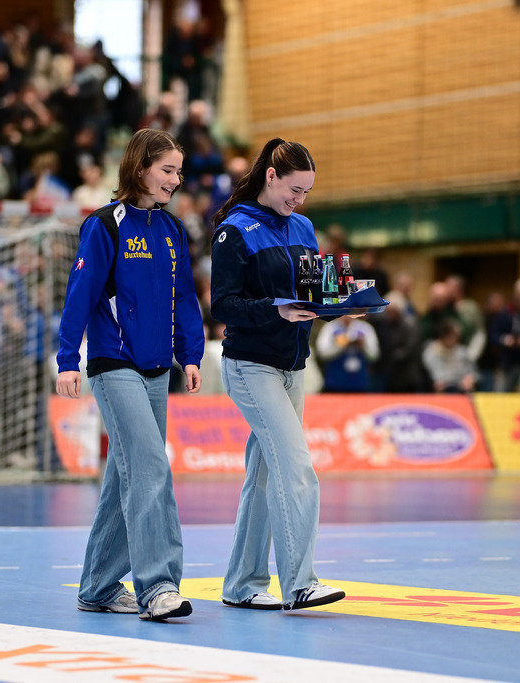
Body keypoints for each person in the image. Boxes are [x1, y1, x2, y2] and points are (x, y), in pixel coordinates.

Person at [55, 128, 203, 621]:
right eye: (167, 170)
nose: (175, 180)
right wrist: (67, 360)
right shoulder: (104, 225)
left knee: (128, 476)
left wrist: (191, 353)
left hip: (158, 367)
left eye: (179, 172)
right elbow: (80, 294)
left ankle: (97, 586)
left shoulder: (172, 228)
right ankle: (158, 586)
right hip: (114, 363)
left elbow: (184, 296)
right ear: (140, 168)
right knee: (150, 468)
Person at [209, 137, 346, 611]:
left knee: (264, 478)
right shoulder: (234, 230)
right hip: (251, 366)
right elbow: (223, 305)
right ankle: (300, 583)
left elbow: (313, 293)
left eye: (306, 192)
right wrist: (276, 310)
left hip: (293, 366)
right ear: (271, 176)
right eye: (294, 190)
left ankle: (241, 584)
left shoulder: (303, 226)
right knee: (296, 467)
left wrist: (342, 305)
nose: (299, 200)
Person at [315, 314, 380, 393]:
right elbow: (322, 353)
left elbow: (374, 355)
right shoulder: (330, 328)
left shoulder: (365, 328)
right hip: (335, 382)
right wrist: (339, 346)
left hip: (360, 382)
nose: (346, 316)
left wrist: (363, 345)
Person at [422, 321, 478, 393]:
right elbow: (430, 376)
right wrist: (435, 383)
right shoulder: (431, 352)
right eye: (452, 336)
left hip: (462, 390)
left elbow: (474, 373)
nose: (456, 339)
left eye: (457, 336)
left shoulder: (462, 351)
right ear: (443, 336)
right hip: (440, 391)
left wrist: (470, 378)